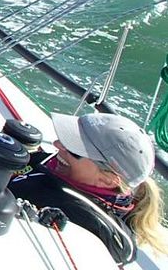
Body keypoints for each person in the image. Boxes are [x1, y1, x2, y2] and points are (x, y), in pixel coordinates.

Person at [9, 112, 168, 265]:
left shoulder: (89, 222)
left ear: (108, 179)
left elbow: (120, 251)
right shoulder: (60, 167)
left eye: (73, 149)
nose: (57, 144)